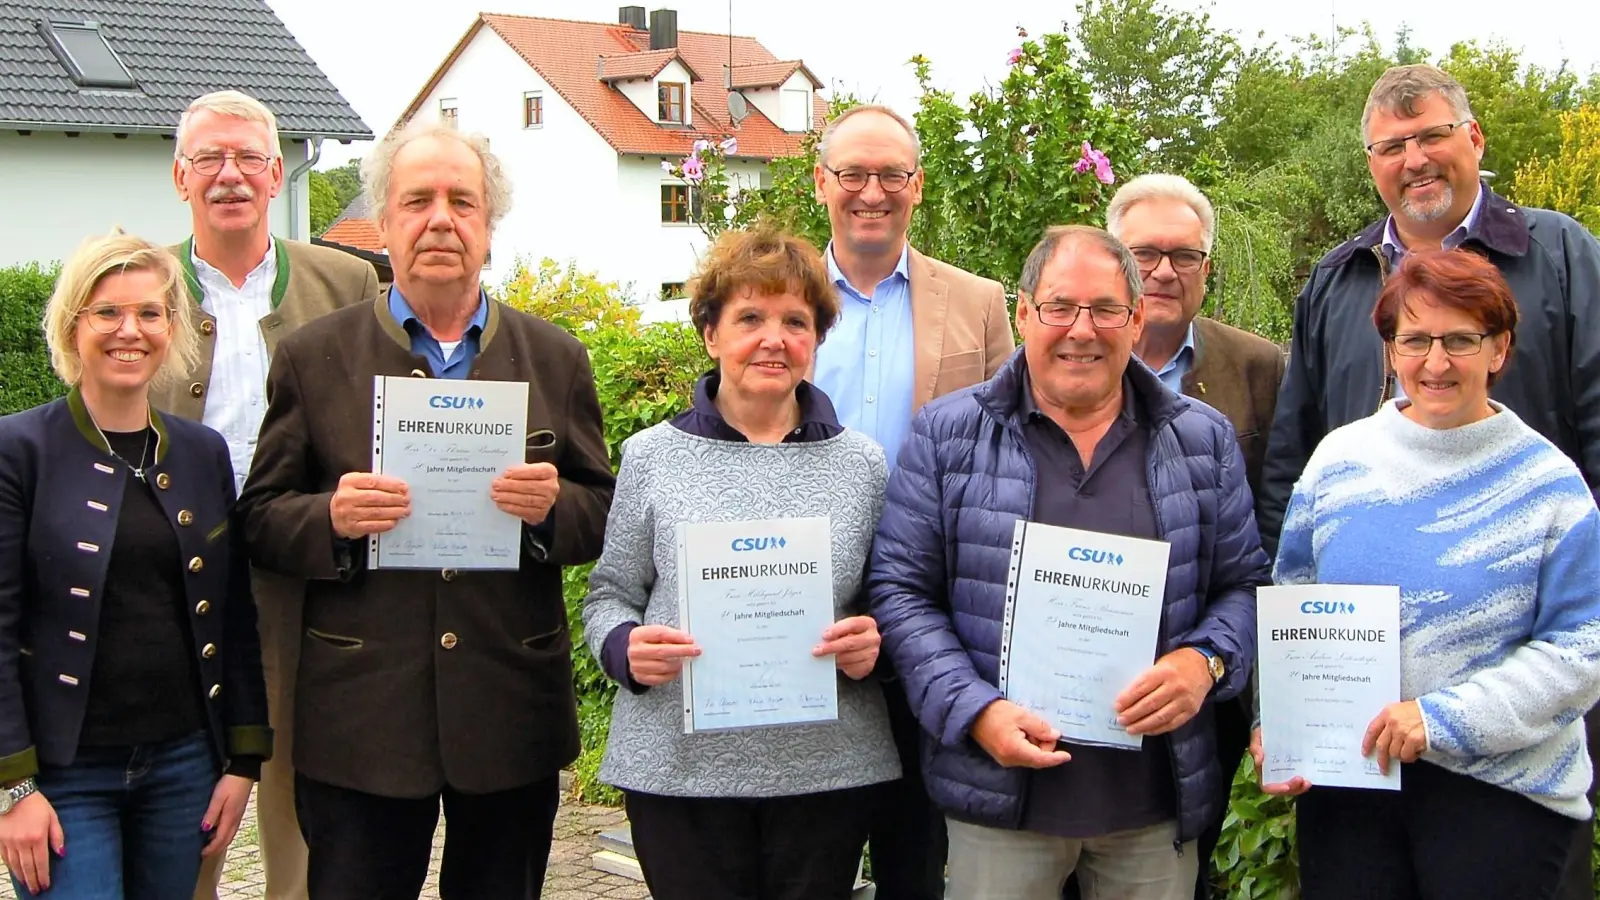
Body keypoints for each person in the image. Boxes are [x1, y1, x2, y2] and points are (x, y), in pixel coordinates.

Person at [236, 121, 615, 899]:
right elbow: (263, 516)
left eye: (461, 202)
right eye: (418, 201)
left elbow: (601, 510)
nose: (440, 219)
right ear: (383, 222)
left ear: (488, 225)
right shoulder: (313, 357)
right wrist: (331, 518)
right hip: (362, 718)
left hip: (508, 710)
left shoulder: (555, 356)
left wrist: (550, 509)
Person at [1259, 63, 1600, 898]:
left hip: (1505, 770)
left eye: (1433, 135)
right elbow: (1290, 514)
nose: (1414, 159)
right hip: (1354, 766)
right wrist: (1292, 711)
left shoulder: (1560, 254)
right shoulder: (1336, 283)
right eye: (1392, 145)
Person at [869, 225, 1267, 900]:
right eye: (1060, 307)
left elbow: (1244, 586)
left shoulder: (1201, 439)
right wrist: (975, 712)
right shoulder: (947, 434)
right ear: (1023, 312)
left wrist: (1205, 663)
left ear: (1136, 319)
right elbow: (901, 592)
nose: (1082, 329)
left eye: (1106, 309)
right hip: (1000, 800)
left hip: (1150, 805)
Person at [581, 227, 902, 900]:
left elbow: (895, 602)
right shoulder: (650, 456)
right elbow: (609, 593)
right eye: (749, 318)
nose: (773, 339)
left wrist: (878, 641)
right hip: (680, 769)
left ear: (815, 339)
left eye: (795, 321)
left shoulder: (862, 465)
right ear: (710, 334)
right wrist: (623, 648)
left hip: (825, 770)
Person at [0, 231, 271, 898]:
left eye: (150, 313)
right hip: (65, 776)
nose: (131, 331)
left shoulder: (201, 451)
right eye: (108, 313)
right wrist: (14, 786)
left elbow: (233, 612)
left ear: (171, 328)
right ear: (72, 327)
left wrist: (242, 763)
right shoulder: (17, 450)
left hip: (184, 765)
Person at [159, 89, 379, 900]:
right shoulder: (140, 284)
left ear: (276, 170)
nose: (230, 175)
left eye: (249, 157)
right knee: (185, 809)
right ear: (180, 176)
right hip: (172, 584)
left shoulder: (347, 279)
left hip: (305, 576)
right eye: (209, 158)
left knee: (299, 806)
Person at [808, 102, 1014, 899]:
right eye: (853, 173)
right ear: (823, 183)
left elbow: (1008, 452)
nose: (872, 191)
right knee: (809, 838)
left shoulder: (979, 302)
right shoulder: (777, 296)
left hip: (930, 602)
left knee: (914, 842)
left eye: (891, 174)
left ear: (917, 186)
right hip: (804, 597)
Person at [1104, 173, 1286, 900]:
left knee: (1179, 857)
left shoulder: (1258, 368)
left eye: (1185, 256)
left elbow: (1271, 518)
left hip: (1200, 668)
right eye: (1144, 253)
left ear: (1207, 270)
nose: (1163, 272)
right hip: (1075, 645)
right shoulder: (1062, 357)